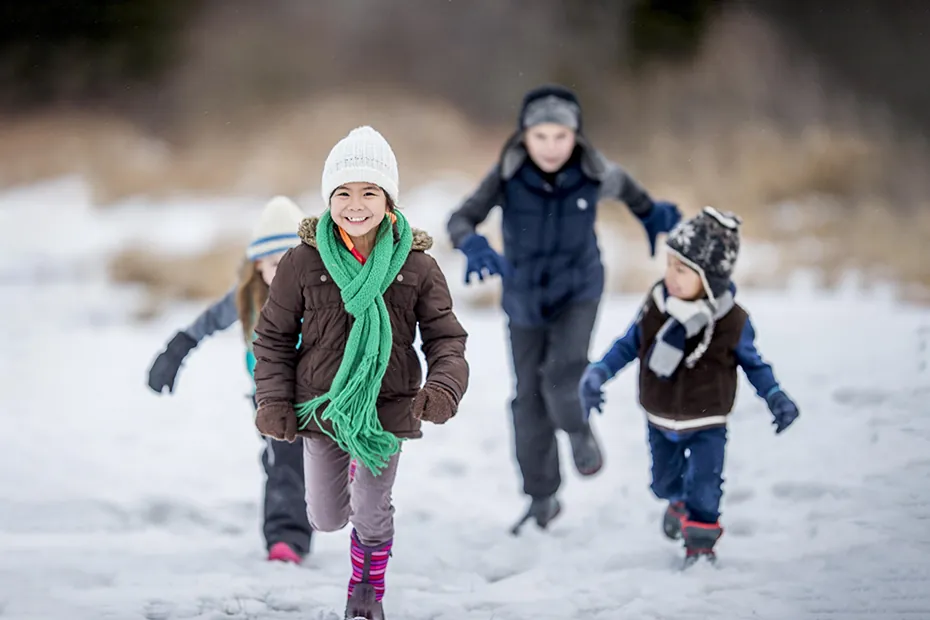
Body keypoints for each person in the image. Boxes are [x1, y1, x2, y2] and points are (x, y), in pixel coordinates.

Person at [251, 126, 469, 619]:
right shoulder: (302, 262)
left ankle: (366, 594)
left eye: (369, 191)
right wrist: (273, 401)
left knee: (371, 511)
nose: (356, 204)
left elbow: (446, 338)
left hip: (387, 408)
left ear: (388, 198)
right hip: (323, 406)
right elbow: (274, 337)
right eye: (343, 192)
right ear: (329, 198)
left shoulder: (416, 265)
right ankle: (344, 482)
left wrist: (443, 387)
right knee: (326, 517)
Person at [446, 84, 683, 533]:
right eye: (541, 137)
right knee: (527, 400)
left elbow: (629, 188)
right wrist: (472, 243)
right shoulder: (507, 174)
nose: (551, 147)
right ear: (524, 137)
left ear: (576, 136)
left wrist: (650, 213)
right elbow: (460, 217)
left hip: (579, 288)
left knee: (562, 374)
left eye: (561, 137)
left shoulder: (593, 172)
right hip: (523, 297)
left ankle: (577, 429)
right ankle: (542, 497)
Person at [579, 206, 801, 566]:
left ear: (709, 278)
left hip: (706, 423)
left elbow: (754, 365)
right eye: (669, 265)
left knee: (706, 487)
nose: (671, 276)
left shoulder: (731, 321)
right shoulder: (656, 305)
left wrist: (775, 395)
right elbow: (628, 344)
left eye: (683, 270)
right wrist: (599, 372)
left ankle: (700, 545)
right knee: (663, 485)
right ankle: (677, 503)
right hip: (659, 418)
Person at [146, 195, 314, 564]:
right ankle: (285, 538)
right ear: (257, 267)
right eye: (275, 263)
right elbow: (204, 324)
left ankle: (335, 500)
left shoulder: (322, 294)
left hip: (322, 398)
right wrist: (176, 350)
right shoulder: (247, 300)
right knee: (284, 464)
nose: (285, 272)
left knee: (318, 466)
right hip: (270, 401)